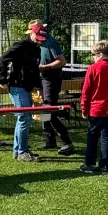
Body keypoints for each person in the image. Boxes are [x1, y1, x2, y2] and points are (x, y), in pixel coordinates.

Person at [0, 23, 45, 163]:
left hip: (27, 87)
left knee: (23, 118)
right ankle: (22, 151)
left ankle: (18, 151)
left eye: (42, 39)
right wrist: (2, 79)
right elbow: (2, 59)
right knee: (25, 118)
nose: (40, 40)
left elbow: (35, 69)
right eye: (38, 37)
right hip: (17, 86)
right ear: (31, 33)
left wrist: (38, 87)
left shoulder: (36, 48)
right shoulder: (20, 46)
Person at [78, 40, 108, 175]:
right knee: (107, 138)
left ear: (99, 54)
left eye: (93, 54)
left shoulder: (93, 69)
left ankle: (90, 164)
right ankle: (105, 166)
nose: (93, 57)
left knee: (92, 137)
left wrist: (84, 109)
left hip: (96, 109)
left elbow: (86, 91)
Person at [30, 20, 75, 155]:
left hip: (51, 79)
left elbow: (62, 61)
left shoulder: (51, 42)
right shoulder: (34, 43)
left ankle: (66, 141)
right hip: (40, 79)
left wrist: (45, 67)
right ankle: (50, 140)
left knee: (48, 108)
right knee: (40, 107)